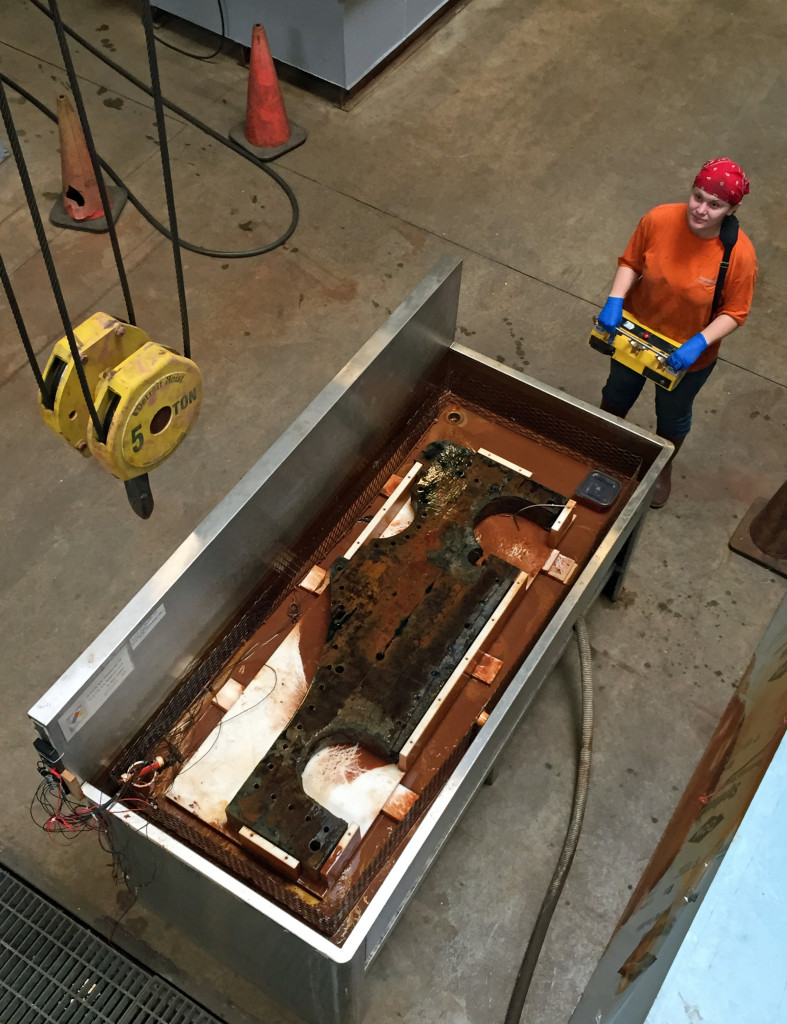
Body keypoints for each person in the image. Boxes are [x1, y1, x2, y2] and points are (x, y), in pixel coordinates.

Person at [596, 157, 757, 508]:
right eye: (697, 197)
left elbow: (735, 312)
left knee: (672, 412)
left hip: (687, 354)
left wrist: (699, 342)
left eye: (715, 205)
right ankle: (603, 447)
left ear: (732, 209)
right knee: (618, 391)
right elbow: (631, 262)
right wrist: (615, 300)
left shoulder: (739, 255)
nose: (701, 210)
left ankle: (661, 466)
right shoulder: (658, 219)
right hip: (637, 333)